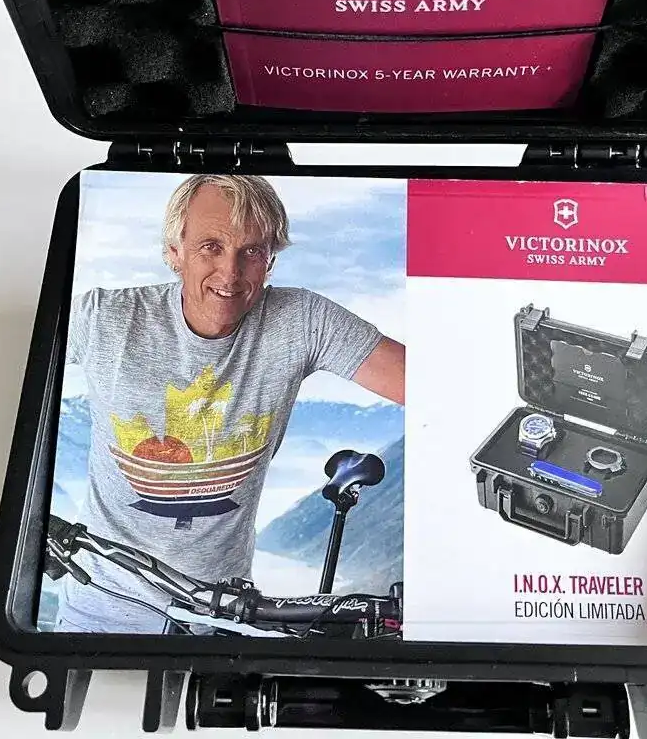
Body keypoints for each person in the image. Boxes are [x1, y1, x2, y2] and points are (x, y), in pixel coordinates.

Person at [53, 174, 405, 633]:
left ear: (270, 262)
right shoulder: (104, 319)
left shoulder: (302, 321)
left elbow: (431, 385)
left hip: (219, 620)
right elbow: (10, 371)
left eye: (251, 251)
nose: (230, 273)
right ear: (174, 251)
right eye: (211, 247)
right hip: (95, 614)